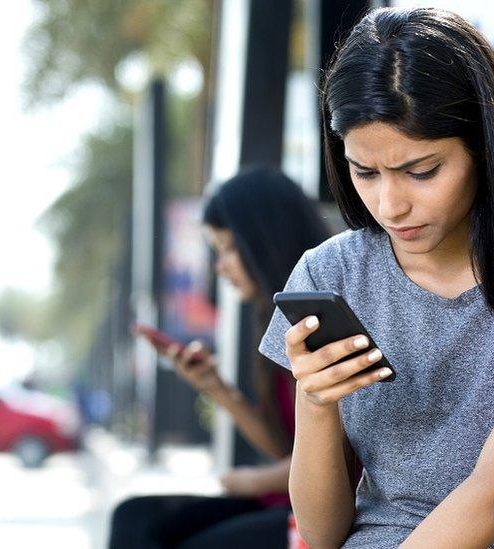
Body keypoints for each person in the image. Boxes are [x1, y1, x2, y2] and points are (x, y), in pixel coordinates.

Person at [257, 7, 494, 549]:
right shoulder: (332, 272)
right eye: (365, 172)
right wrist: (316, 402)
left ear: (486, 150)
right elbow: (323, 537)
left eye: (422, 172)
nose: (390, 205)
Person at [109, 166, 329, 548]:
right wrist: (214, 386)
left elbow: (343, 460)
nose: (220, 267)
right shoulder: (272, 320)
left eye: (228, 249)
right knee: (135, 516)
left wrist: (254, 481)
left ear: (263, 242)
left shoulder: (319, 320)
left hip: (315, 519)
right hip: (280, 504)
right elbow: (288, 449)